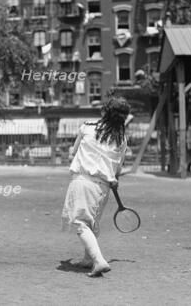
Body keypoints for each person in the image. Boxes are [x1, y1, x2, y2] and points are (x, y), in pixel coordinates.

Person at [62, 96, 130, 277]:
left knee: (80, 223)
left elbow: (74, 151)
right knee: (92, 223)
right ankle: (87, 259)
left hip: (83, 181)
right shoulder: (121, 138)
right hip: (104, 187)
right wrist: (113, 178)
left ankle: (99, 261)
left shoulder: (87, 127)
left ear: (104, 112)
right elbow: (118, 169)